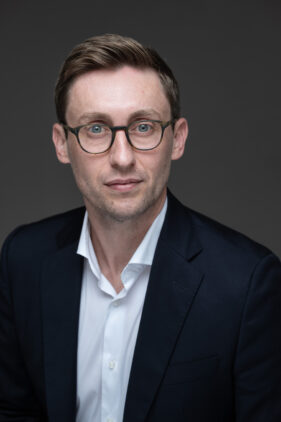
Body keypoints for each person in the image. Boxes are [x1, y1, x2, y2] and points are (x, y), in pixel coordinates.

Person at [0, 33, 280, 422]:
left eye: (143, 127)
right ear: (62, 144)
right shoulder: (23, 259)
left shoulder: (247, 283)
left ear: (177, 139)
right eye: (96, 129)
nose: (122, 157)